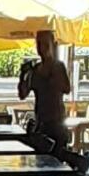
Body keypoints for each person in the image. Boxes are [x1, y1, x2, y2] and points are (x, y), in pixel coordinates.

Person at [17, 27, 73, 159]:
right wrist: (23, 74)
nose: (41, 48)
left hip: (57, 123)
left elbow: (66, 88)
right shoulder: (35, 69)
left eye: (45, 44)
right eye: (39, 44)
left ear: (53, 46)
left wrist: (50, 76)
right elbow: (22, 94)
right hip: (40, 125)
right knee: (40, 163)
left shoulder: (58, 67)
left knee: (58, 163)